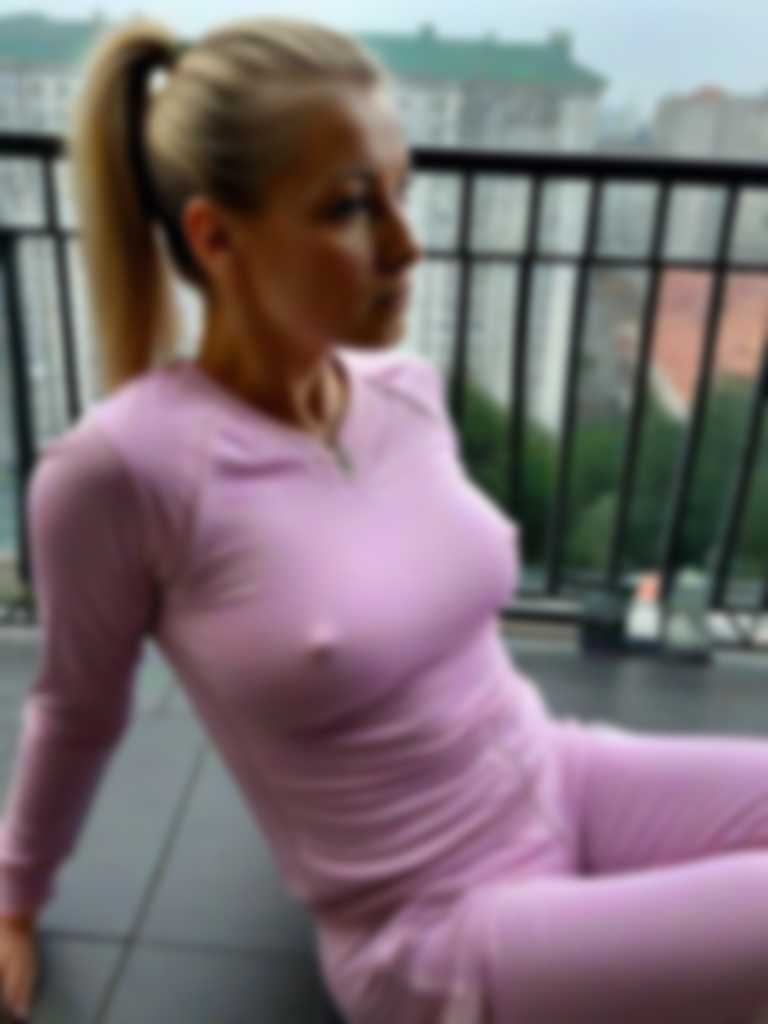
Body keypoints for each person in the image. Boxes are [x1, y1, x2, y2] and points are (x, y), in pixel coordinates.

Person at [1, 13, 768, 1024]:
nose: (408, 245)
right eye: (352, 208)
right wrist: (13, 899)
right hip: (432, 924)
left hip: (557, 774)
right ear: (215, 236)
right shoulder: (121, 472)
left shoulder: (406, 391)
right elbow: (76, 709)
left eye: (402, 193)